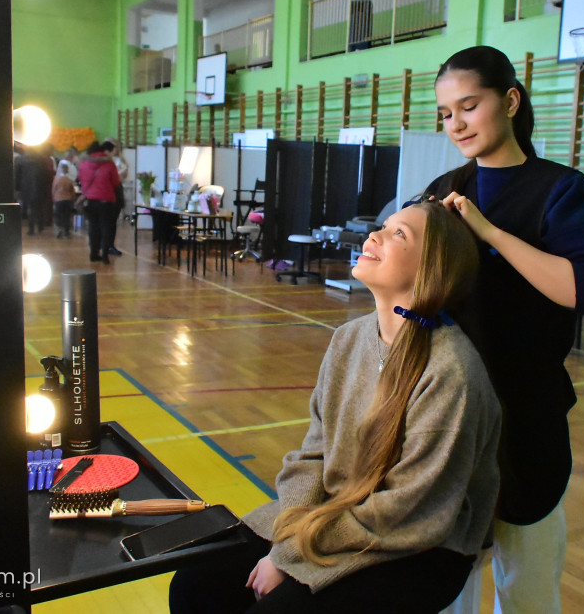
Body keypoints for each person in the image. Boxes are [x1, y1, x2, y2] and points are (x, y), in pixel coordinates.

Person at [169, 202, 502, 614]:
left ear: (432, 267)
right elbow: (313, 454)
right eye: (383, 226)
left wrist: (291, 554)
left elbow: (408, 510)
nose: (374, 236)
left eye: (399, 234)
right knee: (194, 582)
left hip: (415, 545)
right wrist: (291, 534)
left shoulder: (452, 371)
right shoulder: (349, 338)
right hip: (329, 517)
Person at [424, 45, 584, 613]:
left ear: (510, 101)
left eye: (469, 106)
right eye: (446, 113)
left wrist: (490, 234)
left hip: (526, 417)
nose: (456, 124)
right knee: (445, 582)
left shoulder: (560, 189)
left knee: (527, 584)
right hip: (451, 413)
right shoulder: (444, 186)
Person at [78, 141, 121, 263]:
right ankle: (105, 255)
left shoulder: (84, 163)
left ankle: (93, 253)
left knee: (93, 227)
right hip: (106, 200)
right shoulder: (109, 163)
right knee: (106, 227)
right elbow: (116, 182)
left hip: (90, 200)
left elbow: (81, 179)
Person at [51, 163, 76, 239]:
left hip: (58, 199)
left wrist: (53, 200)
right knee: (67, 217)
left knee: (58, 216)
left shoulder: (56, 180)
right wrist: (73, 200)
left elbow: (53, 191)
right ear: (67, 171)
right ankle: (66, 233)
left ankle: (59, 229)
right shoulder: (69, 180)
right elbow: (72, 192)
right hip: (68, 200)